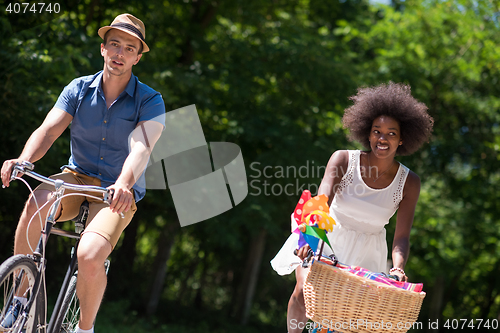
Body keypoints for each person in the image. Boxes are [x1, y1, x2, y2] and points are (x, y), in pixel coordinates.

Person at [0, 13, 165, 333]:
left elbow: (142, 147)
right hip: (76, 178)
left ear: (138, 56)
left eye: (129, 48)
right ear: (103, 48)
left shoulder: (150, 100)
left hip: (116, 192)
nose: (119, 53)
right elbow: (48, 130)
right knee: (35, 204)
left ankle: (84, 329)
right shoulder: (78, 89)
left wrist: (123, 183)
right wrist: (23, 159)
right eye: (114, 44)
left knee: (89, 254)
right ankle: (20, 299)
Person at [270, 82, 434, 333]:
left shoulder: (409, 182)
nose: (383, 138)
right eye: (377, 131)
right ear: (367, 134)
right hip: (325, 234)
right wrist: (309, 241)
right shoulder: (344, 160)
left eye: (391, 133)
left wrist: (398, 267)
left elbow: (401, 236)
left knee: (345, 319)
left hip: (369, 248)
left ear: (402, 140)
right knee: (303, 293)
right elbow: (321, 203)